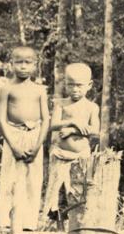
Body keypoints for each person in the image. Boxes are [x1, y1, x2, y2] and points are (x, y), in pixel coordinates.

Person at [0, 46, 49, 233]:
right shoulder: (7, 89)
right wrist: (14, 146)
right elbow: (2, 120)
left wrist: (37, 146)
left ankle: (29, 224)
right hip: (13, 135)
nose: (23, 66)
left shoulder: (40, 90)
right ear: (11, 64)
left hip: (35, 136)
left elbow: (46, 120)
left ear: (35, 65)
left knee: (33, 180)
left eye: (28, 62)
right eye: (19, 62)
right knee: (10, 178)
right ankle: (6, 222)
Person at [42, 62, 100, 220]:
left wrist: (72, 131)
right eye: (71, 85)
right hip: (61, 156)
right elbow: (52, 125)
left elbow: (95, 131)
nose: (75, 90)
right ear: (65, 84)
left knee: (79, 192)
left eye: (79, 86)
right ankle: (57, 228)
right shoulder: (61, 104)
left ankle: (78, 227)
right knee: (57, 194)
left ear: (89, 85)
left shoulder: (91, 107)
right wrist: (73, 122)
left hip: (80, 157)